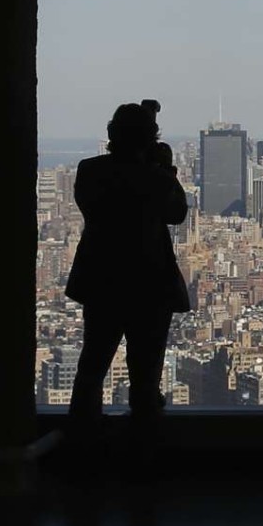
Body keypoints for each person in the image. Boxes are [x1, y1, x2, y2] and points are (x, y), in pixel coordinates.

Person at [66, 102, 190, 439]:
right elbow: (177, 212)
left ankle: (81, 440)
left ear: (111, 135)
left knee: (91, 365)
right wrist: (166, 169)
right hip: (149, 284)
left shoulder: (89, 170)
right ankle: (144, 445)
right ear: (150, 139)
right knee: (145, 375)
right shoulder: (154, 177)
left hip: (101, 281)